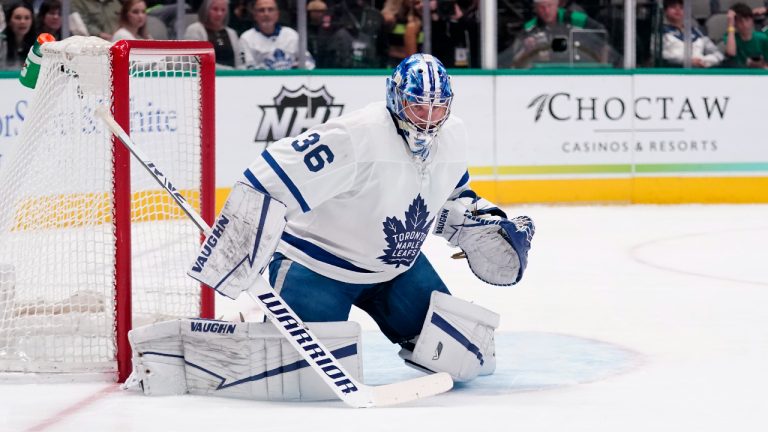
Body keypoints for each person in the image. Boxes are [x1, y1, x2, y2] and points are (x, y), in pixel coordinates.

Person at [237, 53, 535, 383]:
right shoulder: (356, 133)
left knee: (466, 360)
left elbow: (455, 195)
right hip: (318, 270)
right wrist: (235, 246)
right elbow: (268, 177)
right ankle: (254, 321)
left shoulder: (453, 135)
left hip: (396, 269)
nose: (429, 118)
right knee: (301, 377)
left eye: (438, 107)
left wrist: (486, 219)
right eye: (418, 105)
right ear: (396, 97)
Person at [504, 0, 608, 68]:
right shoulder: (530, 27)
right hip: (545, 72)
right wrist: (526, 49)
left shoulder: (574, 18)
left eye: (549, 6)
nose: (546, 11)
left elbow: (601, 34)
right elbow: (516, 61)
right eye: (541, 7)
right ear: (535, 8)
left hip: (578, 68)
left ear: (557, 4)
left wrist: (581, 42)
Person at [239, 0, 315, 69]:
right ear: (255, 15)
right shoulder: (246, 38)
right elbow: (246, 69)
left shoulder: (291, 35)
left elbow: (309, 63)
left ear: (277, 14)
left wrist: (296, 68)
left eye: (270, 10)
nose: (266, 14)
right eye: (261, 10)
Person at [184, 0, 250, 69]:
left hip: (232, 77)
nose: (219, 14)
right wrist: (228, 70)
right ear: (206, 10)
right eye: (215, 9)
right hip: (205, 78)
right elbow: (195, 62)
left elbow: (239, 62)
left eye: (223, 10)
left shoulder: (232, 33)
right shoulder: (194, 30)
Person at [661, 0, 723, 68]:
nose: (677, 10)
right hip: (672, 72)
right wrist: (686, 60)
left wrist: (704, 61)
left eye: (681, 7)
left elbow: (718, 54)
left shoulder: (697, 32)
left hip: (698, 72)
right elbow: (659, 54)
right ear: (665, 11)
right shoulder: (660, 31)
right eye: (673, 7)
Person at [725, 2, 768, 68]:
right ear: (735, 24)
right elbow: (731, 52)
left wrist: (757, 65)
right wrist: (730, 25)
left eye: (747, 20)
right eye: (740, 21)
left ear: (752, 21)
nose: (744, 25)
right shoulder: (730, 37)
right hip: (736, 74)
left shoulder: (763, 38)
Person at [1, 2, 35, 70]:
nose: (22, 22)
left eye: (27, 18)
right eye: (18, 18)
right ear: (9, 21)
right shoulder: (1, 42)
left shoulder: (38, 45)